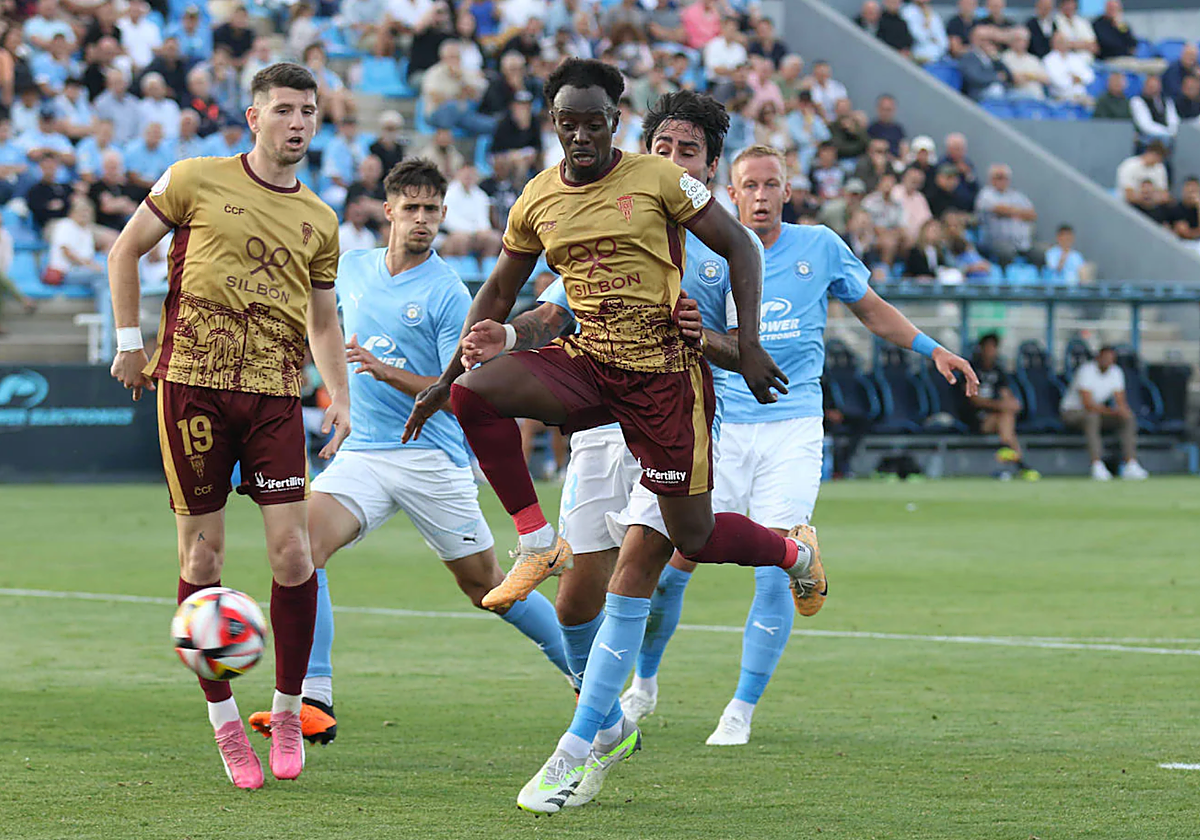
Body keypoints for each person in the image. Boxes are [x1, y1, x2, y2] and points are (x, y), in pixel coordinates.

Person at [398, 60, 813, 811]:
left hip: (663, 386)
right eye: (569, 122)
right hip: (589, 370)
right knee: (475, 397)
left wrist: (745, 344)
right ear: (553, 122)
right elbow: (505, 293)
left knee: (692, 535)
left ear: (616, 121)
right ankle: (534, 540)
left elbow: (741, 250)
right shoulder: (538, 197)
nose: (582, 134)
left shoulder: (657, 183)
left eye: (595, 121)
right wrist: (446, 373)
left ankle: (790, 552)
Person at [617, 144, 978, 751]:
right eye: (749, 186)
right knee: (676, 557)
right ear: (729, 194)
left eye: (771, 184)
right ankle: (645, 682)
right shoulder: (705, 250)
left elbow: (871, 309)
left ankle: (741, 709)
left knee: (778, 558)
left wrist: (931, 348)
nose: (760, 196)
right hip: (724, 425)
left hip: (794, 426)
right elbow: (689, 335)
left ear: (788, 190)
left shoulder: (820, 245)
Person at [246, 159, 573, 746]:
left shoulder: (451, 293)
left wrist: (382, 371)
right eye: (412, 208)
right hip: (366, 454)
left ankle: (586, 678)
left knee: (487, 588)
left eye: (432, 210)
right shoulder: (352, 269)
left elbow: (458, 397)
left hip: (431, 459)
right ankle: (313, 697)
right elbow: (321, 331)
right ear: (388, 210)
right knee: (299, 550)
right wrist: (340, 399)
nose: (422, 219)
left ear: (444, 217)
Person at [106, 62, 350, 790]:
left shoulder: (321, 219)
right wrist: (128, 341)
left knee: (293, 555)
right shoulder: (195, 179)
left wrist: (338, 392)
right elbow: (125, 251)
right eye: (283, 109)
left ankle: (281, 713)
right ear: (253, 117)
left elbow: (324, 317)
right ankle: (223, 726)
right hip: (192, 388)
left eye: (308, 110)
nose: (298, 122)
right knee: (204, 561)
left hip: (275, 394)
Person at [1060, 345, 1148, 480]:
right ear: (1098, 358)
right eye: (1105, 358)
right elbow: (1087, 404)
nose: (1108, 361)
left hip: (1099, 413)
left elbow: (1120, 400)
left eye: (1111, 358)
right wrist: (1112, 411)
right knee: (1092, 418)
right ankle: (1097, 464)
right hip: (1072, 413)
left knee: (1127, 419)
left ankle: (1131, 463)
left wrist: (1123, 411)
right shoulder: (1086, 370)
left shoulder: (1116, 372)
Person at [964, 333, 1038, 478]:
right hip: (975, 418)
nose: (992, 351)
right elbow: (974, 400)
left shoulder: (998, 370)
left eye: (994, 348)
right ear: (981, 348)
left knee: (1007, 417)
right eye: (988, 347)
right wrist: (1001, 405)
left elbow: (1006, 392)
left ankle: (1006, 451)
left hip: (997, 416)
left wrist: (1012, 403)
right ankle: (1020, 464)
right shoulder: (970, 368)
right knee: (1006, 420)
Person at [974, 163, 1039, 266]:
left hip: (1021, 243)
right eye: (998, 177)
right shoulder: (986, 194)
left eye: (1005, 177)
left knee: (1040, 254)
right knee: (1007, 253)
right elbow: (999, 209)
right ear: (991, 179)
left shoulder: (1017, 195)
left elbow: (1032, 215)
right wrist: (1019, 213)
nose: (1002, 181)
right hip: (995, 242)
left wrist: (1010, 212)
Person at [439, 164, 502, 257]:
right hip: (454, 233)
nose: (468, 177)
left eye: (471, 175)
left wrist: (483, 230)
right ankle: (462, 269)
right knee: (461, 239)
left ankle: (487, 269)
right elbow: (449, 221)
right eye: (466, 174)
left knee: (494, 239)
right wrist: (472, 231)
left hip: (476, 234)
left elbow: (483, 219)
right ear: (458, 174)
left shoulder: (481, 195)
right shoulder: (448, 194)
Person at [1130, 74, 1178, 153]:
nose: (1153, 88)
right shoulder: (1137, 101)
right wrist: (1166, 133)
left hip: (1168, 136)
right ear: (1144, 86)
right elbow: (1145, 125)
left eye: (1155, 86)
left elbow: (1174, 120)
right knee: (1164, 140)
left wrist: (1171, 132)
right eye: (1150, 86)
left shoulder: (1167, 101)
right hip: (1146, 138)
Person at [1116, 141, 1169, 206]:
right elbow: (1129, 195)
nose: (1157, 161)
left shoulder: (1159, 168)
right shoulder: (1129, 165)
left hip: (1152, 206)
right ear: (1150, 153)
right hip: (1128, 205)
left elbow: (1164, 195)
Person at [901, 0, 948, 64]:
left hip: (938, 59)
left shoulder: (933, 15)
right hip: (917, 58)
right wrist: (931, 36)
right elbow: (920, 37)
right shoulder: (907, 12)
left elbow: (944, 42)